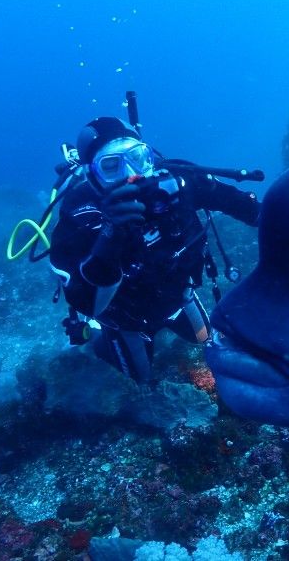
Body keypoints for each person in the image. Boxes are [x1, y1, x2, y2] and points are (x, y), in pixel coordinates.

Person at [49, 116, 260, 384]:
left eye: (137, 157)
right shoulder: (80, 216)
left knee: (204, 338)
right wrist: (110, 236)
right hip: (126, 319)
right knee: (141, 381)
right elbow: (88, 302)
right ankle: (99, 336)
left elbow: (244, 206)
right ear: (92, 175)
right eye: (111, 166)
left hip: (178, 297)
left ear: (149, 155)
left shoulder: (176, 184)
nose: (131, 174)